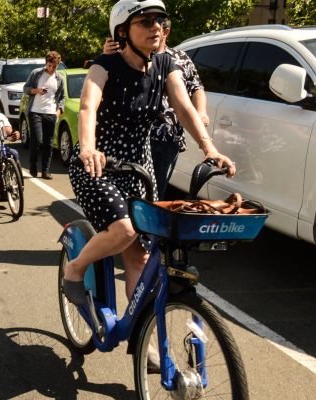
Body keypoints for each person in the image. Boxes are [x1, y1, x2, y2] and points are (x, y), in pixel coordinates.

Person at [62, 0, 236, 305]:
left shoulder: (166, 65)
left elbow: (184, 107)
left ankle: (144, 340)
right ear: (122, 31)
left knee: (140, 257)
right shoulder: (104, 66)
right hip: (99, 165)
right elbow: (88, 107)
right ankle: (75, 270)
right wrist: (88, 147)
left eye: (160, 20)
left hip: (141, 169)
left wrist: (209, 148)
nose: (155, 26)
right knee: (124, 231)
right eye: (145, 21)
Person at [102, 17, 209, 199]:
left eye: (160, 27)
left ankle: (144, 223)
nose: (155, 30)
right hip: (130, 136)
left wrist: (201, 112)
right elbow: (100, 92)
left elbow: (196, 88)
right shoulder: (125, 54)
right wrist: (107, 56)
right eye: (147, 24)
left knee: (154, 192)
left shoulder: (179, 58)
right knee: (120, 191)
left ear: (166, 32)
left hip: (166, 135)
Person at [23, 51, 65, 179]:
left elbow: (62, 98)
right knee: (37, 140)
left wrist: (58, 112)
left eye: (54, 66)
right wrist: (37, 90)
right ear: (46, 63)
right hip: (35, 111)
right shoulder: (36, 73)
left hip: (51, 113)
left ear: (58, 65)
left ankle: (46, 170)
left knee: (49, 143)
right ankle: (33, 166)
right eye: (49, 65)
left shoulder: (59, 79)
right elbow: (25, 88)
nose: (51, 69)